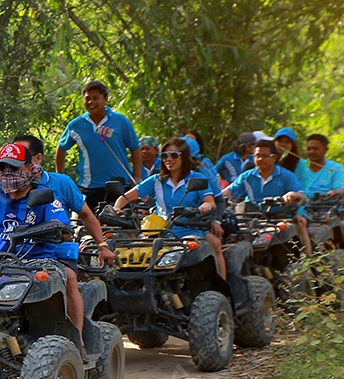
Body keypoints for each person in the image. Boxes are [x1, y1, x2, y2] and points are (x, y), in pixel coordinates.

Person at [0, 142, 89, 350]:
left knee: (69, 278)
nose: (8, 172)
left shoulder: (45, 196)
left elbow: (63, 230)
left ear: (29, 168)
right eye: (3, 167)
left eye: (14, 167)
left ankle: (78, 341)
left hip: (37, 258)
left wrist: (50, 229)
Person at [112, 138, 226, 278]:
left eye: (174, 155)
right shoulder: (157, 180)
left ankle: (221, 287)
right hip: (159, 232)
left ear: (184, 156)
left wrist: (206, 205)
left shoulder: (197, 177)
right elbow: (125, 197)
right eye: (165, 155)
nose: (168, 159)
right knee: (131, 250)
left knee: (209, 245)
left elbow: (210, 202)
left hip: (190, 229)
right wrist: (116, 209)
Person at [12, 134, 117, 266]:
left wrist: (102, 246)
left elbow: (86, 214)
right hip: (13, 252)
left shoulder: (61, 182)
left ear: (38, 158)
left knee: (69, 278)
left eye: (23, 158)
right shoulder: (3, 187)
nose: (15, 163)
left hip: (54, 254)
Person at [56, 80, 141, 210]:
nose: (91, 102)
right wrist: (60, 177)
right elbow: (62, 148)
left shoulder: (121, 121)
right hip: (89, 187)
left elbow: (135, 147)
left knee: (124, 226)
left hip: (119, 185)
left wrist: (137, 176)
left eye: (96, 98)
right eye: (87, 99)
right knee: (85, 227)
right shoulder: (76, 125)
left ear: (105, 99)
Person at [224, 139, 312, 255]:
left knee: (300, 224)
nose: (260, 159)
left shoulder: (286, 176)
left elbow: (303, 197)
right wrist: (210, 200)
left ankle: (310, 262)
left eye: (265, 156)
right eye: (257, 155)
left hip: (279, 217)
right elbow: (228, 192)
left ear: (274, 157)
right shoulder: (246, 176)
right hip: (251, 218)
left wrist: (293, 195)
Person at [303, 133, 344, 198]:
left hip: (327, 205)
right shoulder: (300, 167)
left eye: (315, 149)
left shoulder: (336, 168)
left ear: (326, 150)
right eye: (309, 149)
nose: (311, 152)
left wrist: (334, 193)